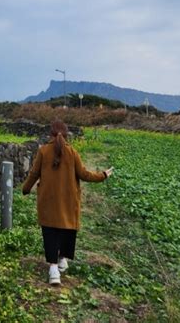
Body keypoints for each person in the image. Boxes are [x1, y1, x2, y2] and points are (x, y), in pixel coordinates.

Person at [22, 119, 114, 285]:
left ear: (50, 134)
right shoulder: (72, 153)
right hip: (68, 202)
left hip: (48, 202)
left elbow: (34, 174)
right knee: (66, 229)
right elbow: (85, 174)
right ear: (67, 135)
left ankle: (53, 270)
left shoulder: (43, 151)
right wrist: (103, 175)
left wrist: (26, 189)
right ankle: (62, 260)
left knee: (50, 233)